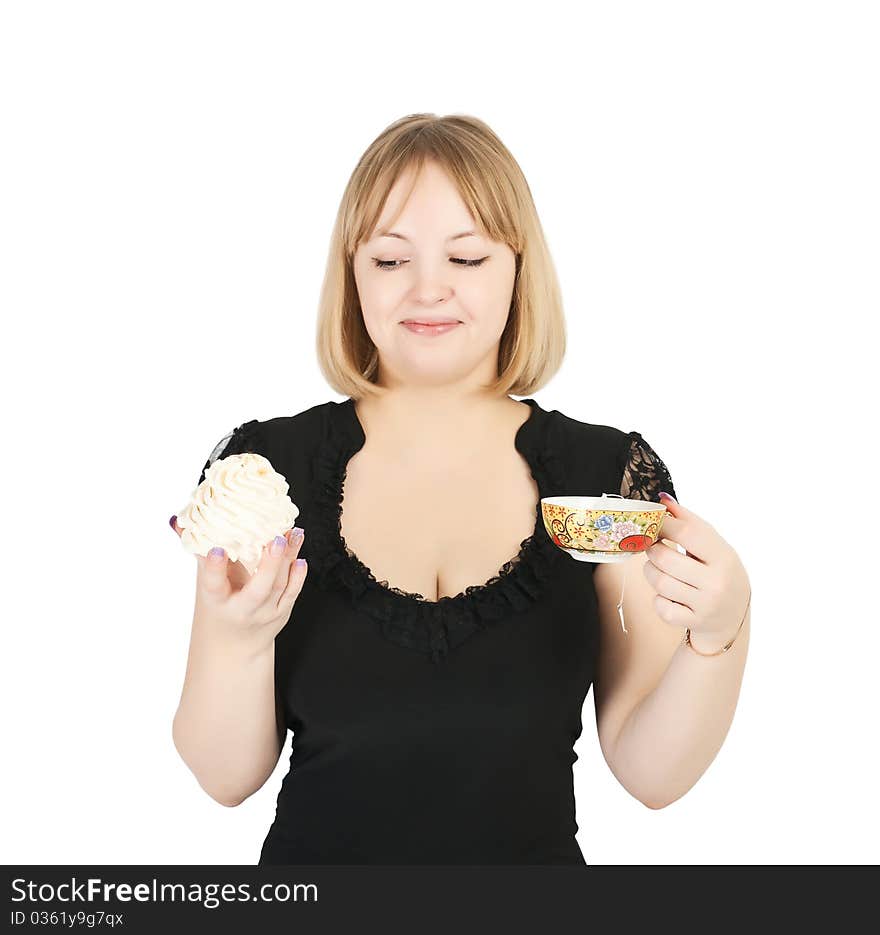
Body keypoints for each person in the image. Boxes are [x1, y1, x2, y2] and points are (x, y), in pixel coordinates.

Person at [171, 113, 752, 865]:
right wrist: (236, 639)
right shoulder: (267, 470)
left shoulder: (604, 477)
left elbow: (651, 771)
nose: (428, 288)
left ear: (518, 265)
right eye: (389, 260)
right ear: (351, 272)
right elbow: (223, 776)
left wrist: (721, 633)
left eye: (468, 257)